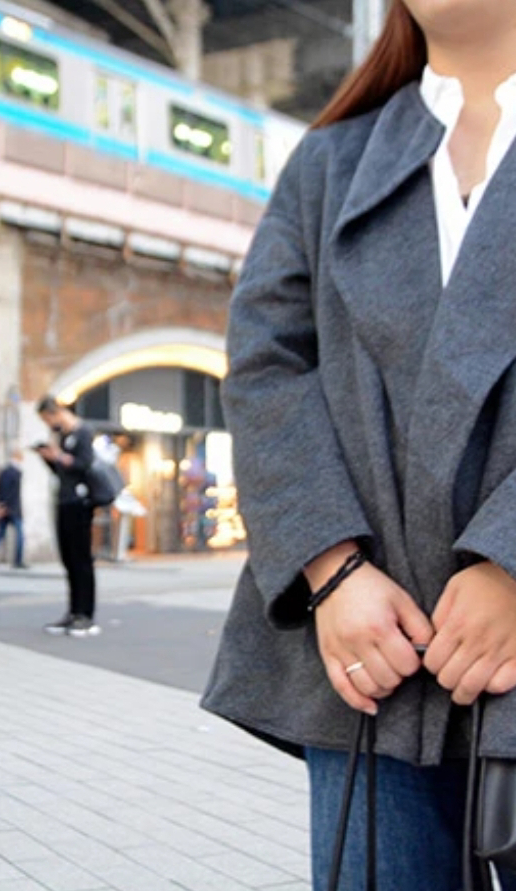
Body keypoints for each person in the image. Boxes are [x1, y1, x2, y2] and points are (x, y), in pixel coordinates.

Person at [201, 4, 516, 888]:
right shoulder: (330, 162)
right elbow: (265, 365)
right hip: (377, 659)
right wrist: (333, 573)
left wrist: (507, 561)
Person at [35, 396, 99, 637]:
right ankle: (73, 611)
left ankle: (86, 614)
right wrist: (49, 458)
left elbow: (84, 464)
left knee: (81, 559)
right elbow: (62, 471)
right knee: (69, 559)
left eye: (47, 419)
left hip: (81, 502)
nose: (49, 425)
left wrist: (60, 457)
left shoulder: (83, 433)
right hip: (64, 499)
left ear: (56, 413)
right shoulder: (63, 437)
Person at [0, 449, 26, 569]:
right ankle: (18, 560)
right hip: (13, 509)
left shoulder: (3, 472)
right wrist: (6, 506)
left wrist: (0, 505)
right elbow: (12, 492)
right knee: (20, 535)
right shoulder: (16, 472)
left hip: (3, 507)